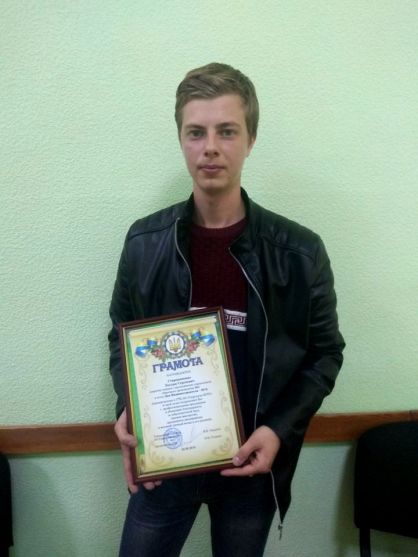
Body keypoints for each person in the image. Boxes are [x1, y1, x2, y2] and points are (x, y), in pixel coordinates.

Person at [108, 62, 345, 557]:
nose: (210, 147)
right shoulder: (143, 242)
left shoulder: (299, 252)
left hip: (249, 466)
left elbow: (325, 354)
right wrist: (129, 405)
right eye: (196, 132)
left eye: (227, 131)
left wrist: (278, 430)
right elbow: (120, 337)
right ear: (181, 139)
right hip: (165, 463)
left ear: (250, 139)